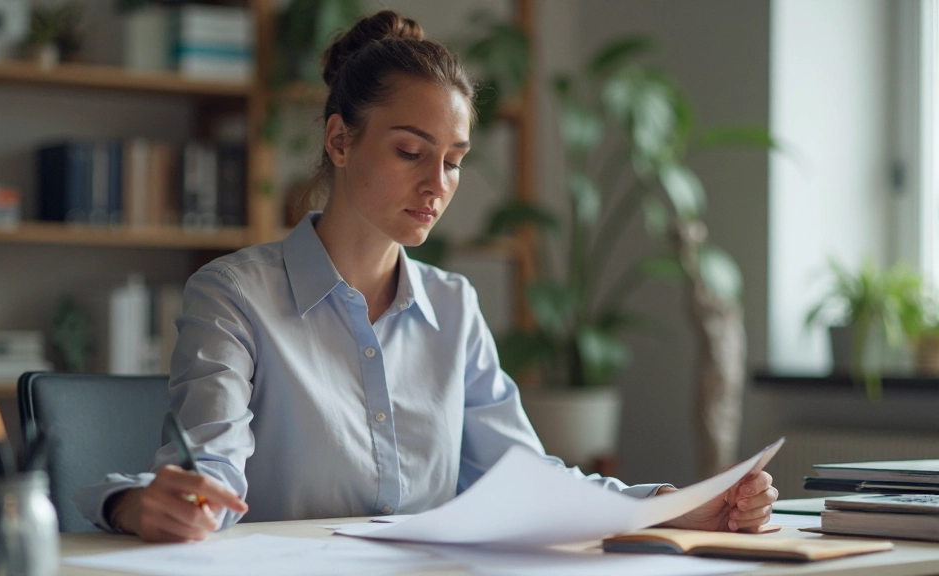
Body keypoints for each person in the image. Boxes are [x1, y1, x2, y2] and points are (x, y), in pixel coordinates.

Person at [76, 10, 778, 543]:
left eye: (453, 159)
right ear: (340, 140)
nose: (437, 184)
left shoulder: (455, 304)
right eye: (411, 151)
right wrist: (144, 504)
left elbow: (523, 479)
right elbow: (214, 474)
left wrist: (680, 503)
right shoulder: (234, 296)